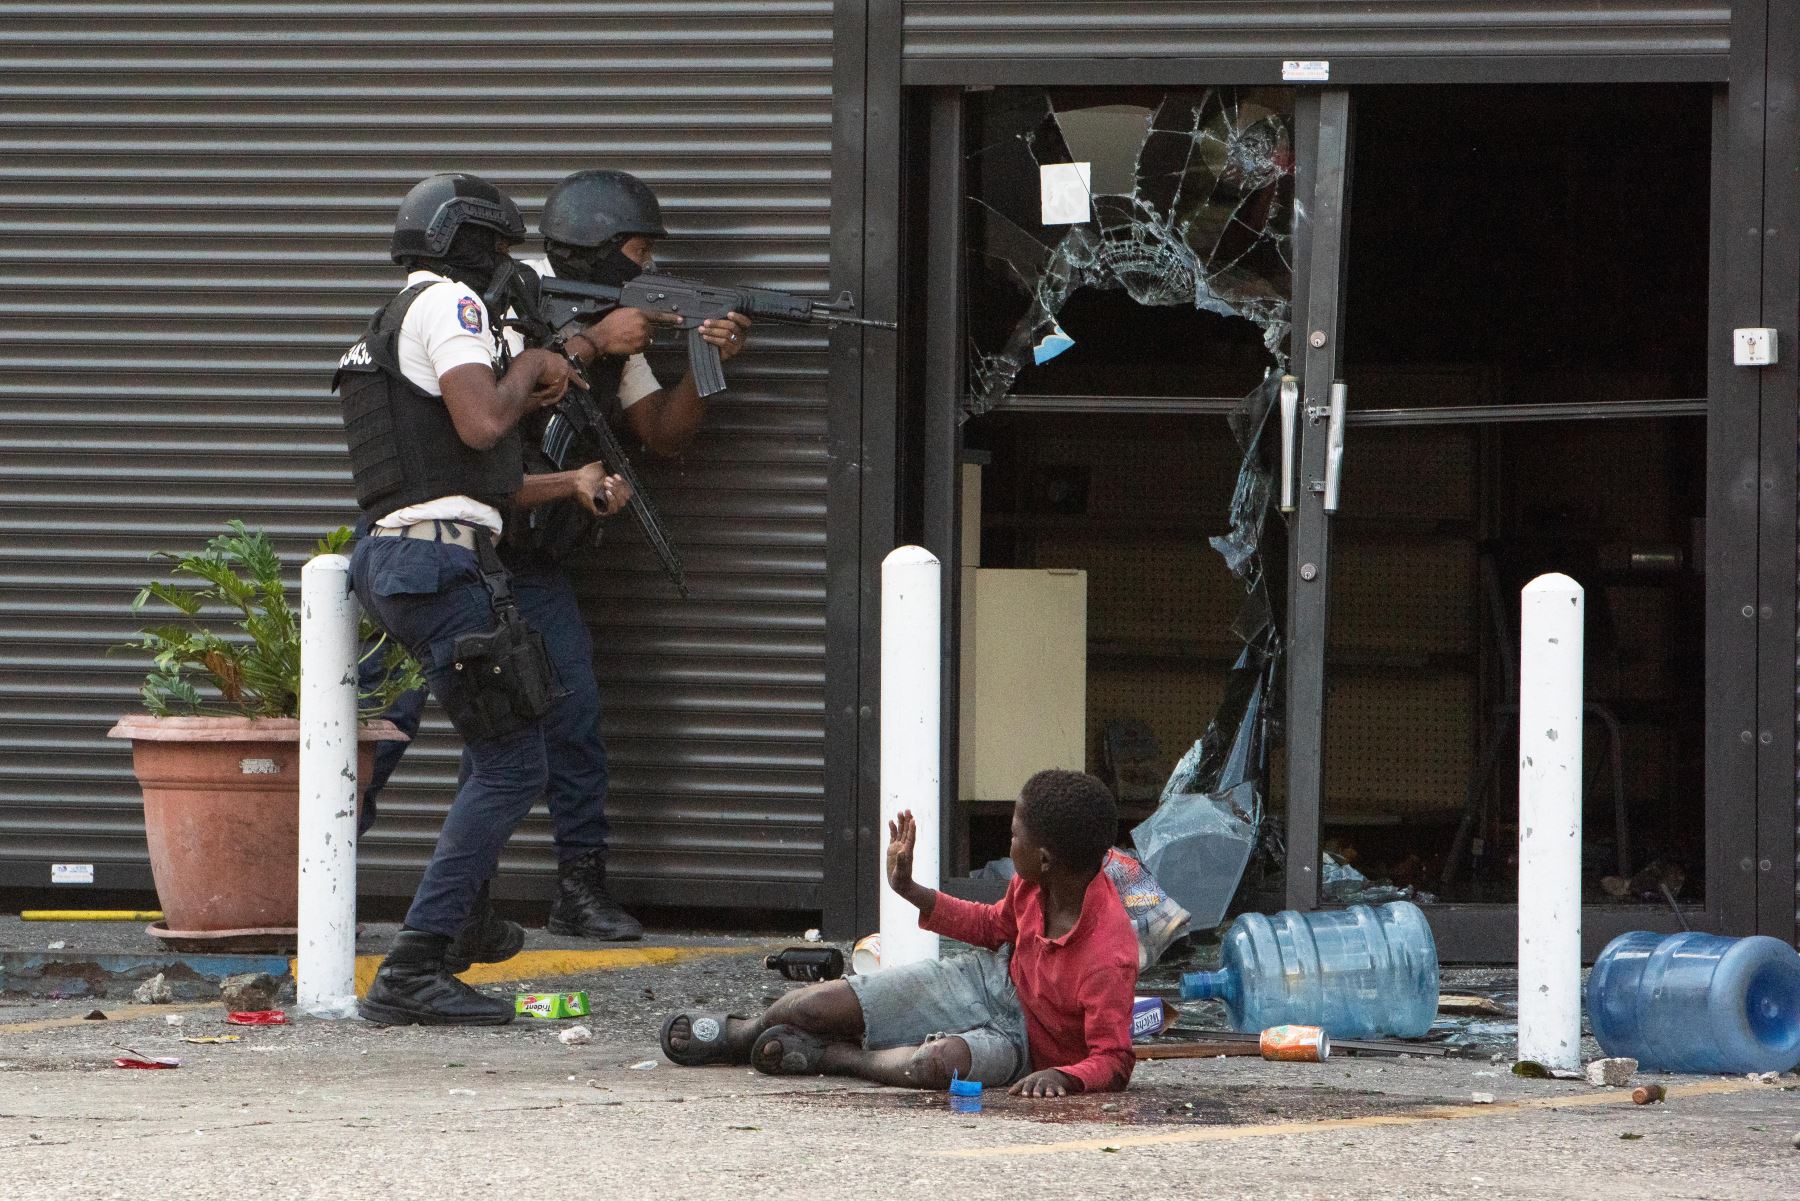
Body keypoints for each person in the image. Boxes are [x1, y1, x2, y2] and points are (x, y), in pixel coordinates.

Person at [356, 169, 752, 944]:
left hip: (522, 561)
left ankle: (574, 890)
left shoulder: (614, 317)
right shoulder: (493, 295)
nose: (644, 271)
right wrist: (590, 339)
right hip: (434, 548)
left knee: (568, 715)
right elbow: (474, 410)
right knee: (378, 727)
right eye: (636, 253)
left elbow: (661, 433)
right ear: (597, 246)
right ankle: (309, 883)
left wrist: (711, 362)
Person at [334, 172, 613, 1025]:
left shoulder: (394, 320)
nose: (502, 270)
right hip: (436, 569)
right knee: (512, 760)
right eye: (497, 250)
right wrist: (536, 360)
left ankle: (458, 928)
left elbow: (474, 479)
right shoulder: (447, 305)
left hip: (407, 558)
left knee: (493, 741)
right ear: (471, 245)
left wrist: (564, 477)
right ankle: (418, 961)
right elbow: (485, 427)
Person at [657, 770, 1140, 1095]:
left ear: (1046, 859)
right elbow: (990, 927)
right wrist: (909, 888)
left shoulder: (1107, 954)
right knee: (810, 1006)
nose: (1008, 842)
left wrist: (1064, 1076)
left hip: (1023, 1049)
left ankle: (836, 1056)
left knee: (933, 1065)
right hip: (990, 983)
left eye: (1014, 835)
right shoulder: (1032, 885)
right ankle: (742, 1034)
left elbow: (1114, 1060)